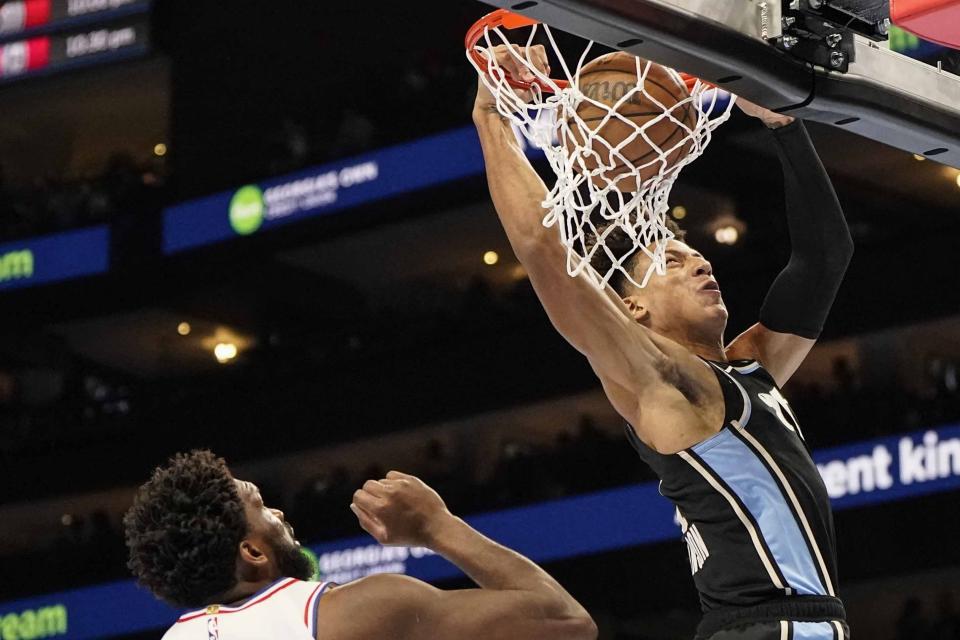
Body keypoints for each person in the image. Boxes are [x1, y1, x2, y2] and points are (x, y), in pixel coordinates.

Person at [472, 45, 854, 639]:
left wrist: (782, 124)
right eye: (672, 260)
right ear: (630, 308)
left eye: (698, 256)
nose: (700, 264)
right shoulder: (657, 378)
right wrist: (492, 115)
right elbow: (546, 250)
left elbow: (825, 257)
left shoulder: (751, 368)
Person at [123, 449, 596, 640]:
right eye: (264, 507)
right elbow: (567, 624)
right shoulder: (358, 614)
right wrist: (437, 526)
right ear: (253, 552)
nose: (281, 515)